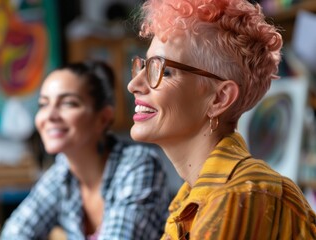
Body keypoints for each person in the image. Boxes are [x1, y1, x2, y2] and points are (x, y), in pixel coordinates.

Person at [127, 0, 316, 239]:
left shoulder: (238, 194)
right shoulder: (188, 200)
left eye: (163, 71)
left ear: (219, 98)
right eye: (143, 66)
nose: (133, 85)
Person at [0, 60, 171, 240]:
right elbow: (15, 232)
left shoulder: (138, 165)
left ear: (103, 119)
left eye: (68, 103)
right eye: (43, 104)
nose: (49, 115)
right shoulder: (61, 173)